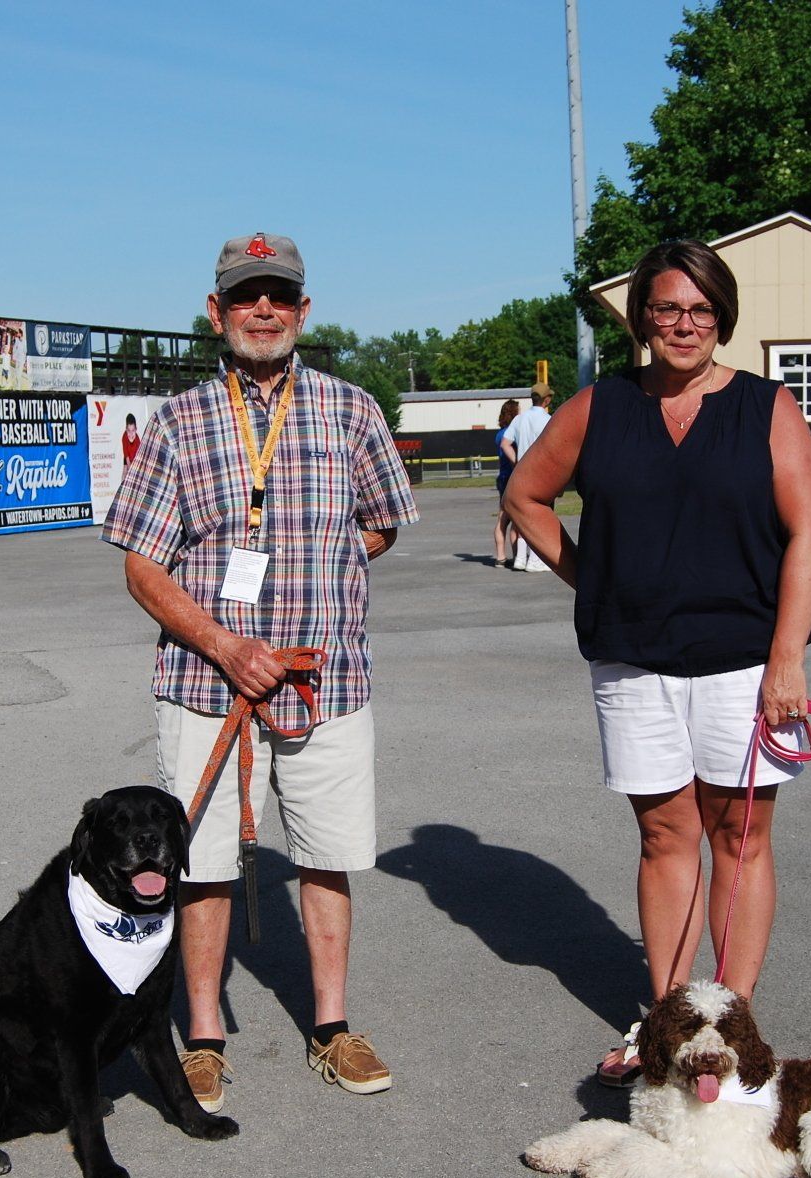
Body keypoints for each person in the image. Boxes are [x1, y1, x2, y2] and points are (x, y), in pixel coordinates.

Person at [102, 232, 419, 1111]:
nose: (265, 309)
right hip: (208, 684)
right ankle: (202, 1035)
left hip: (327, 679)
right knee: (199, 863)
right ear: (218, 312)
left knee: (328, 856)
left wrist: (321, 566)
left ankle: (331, 1027)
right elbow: (141, 564)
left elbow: (386, 521)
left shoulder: (352, 410)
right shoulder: (177, 420)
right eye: (247, 296)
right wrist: (226, 643)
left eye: (280, 293)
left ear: (304, 310)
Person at [502, 239, 811, 1087]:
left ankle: (734, 1019)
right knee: (664, 834)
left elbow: (806, 535)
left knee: (742, 835)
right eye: (668, 308)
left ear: (722, 317)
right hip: (634, 661)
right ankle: (671, 1024)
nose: (685, 323)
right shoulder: (599, 407)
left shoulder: (767, 407)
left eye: (701, 309)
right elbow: (524, 496)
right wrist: (591, 580)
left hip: (744, 663)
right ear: (642, 317)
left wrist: (787, 656)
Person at [500, 382, 554, 571]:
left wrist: (517, 462)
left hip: (522, 473)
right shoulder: (548, 420)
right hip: (542, 474)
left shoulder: (519, 419)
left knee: (523, 517)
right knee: (541, 517)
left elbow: (505, 443)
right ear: (547, 400)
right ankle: (536, 560)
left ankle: (520, 559)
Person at [491, 398, 520, 566]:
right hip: (511, 477)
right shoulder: (512, 434)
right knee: (515, 520)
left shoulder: (499, 433)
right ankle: (517, 556)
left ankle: (500, 556)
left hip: (502, 478)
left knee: (503, 519)